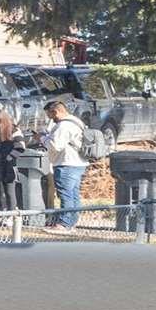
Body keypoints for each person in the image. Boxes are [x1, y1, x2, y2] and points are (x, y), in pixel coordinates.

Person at [42, 97, 90, 228]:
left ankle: (64, 223)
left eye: (50, 116)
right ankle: (72, 221)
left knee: (65, 194)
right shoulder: (76, 121)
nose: (51, 119)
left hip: (66, 163)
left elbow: (55, 145)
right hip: (79, 163)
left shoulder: (63, 125)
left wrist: (42, 138)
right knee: (74, 195)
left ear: (56, 112)